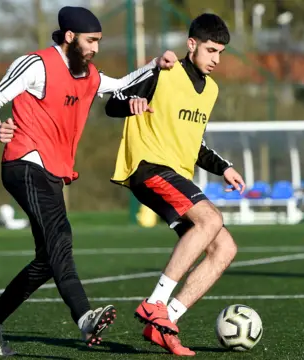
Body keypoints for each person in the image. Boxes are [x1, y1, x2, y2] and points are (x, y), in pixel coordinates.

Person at [0, 6, 178, 356]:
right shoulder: (36, 64)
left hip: (52, 172)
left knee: (47, 258)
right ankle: (84, 317)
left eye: (98, 41)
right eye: (91, 40)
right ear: (69, 37)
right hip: (24, 162)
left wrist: (154, 65)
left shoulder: (90, 75)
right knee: (62, 239)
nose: (96, 47)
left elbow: (120, 85)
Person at [105, 13, 244, 356]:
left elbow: (193, 143)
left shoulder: (210, 90)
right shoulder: (163, 72)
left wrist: (223, 167)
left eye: (221, 52)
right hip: (148, 166)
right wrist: (131, 104)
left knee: (224, 248)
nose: (216, 59)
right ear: (191, 44)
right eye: (211, 49)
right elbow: (111, 103)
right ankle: (155, 302)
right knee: (210, 220)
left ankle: (165, 322)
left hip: (176, 175)